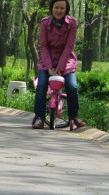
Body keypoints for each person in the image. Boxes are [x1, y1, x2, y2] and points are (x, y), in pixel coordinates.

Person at [32, 0, 85, 129]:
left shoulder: (71, 23)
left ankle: (74, 115)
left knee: (72, 86)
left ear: (66, 9)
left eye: (62, 8)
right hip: (47, 60)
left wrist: (60, 67)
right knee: (42, 85)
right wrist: (49, 67)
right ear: (52, 8)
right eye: (56, 7)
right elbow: (43, 46)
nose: (59, 10)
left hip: (66, 61)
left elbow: (69, 46)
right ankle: (39, 117)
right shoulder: (45, 23)